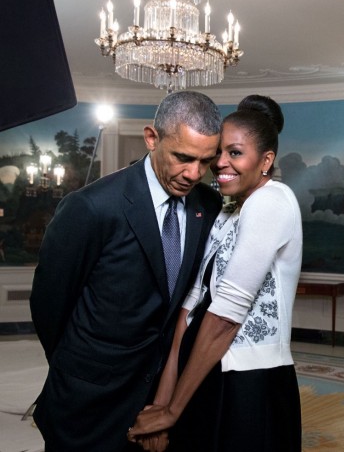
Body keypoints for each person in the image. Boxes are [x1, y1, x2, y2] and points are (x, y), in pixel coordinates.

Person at [29, 91, 224, 452]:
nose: (194, 173)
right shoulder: (91, 207)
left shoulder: (208, 206)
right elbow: (49, 306)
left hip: (159, 403)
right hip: (87, 405)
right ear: (152, 138)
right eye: (183, 157)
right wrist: (83, 369)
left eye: (205, 161)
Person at [128, 94, 303, 452]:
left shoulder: (272, 200)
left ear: (266, 160)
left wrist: (172, 410)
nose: (220, 162)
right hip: (203, 370)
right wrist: (164, 400)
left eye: (235, 153)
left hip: (249, 383)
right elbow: (189, 308)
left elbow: (226, 316)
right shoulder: (227, 212)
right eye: (219, 152)